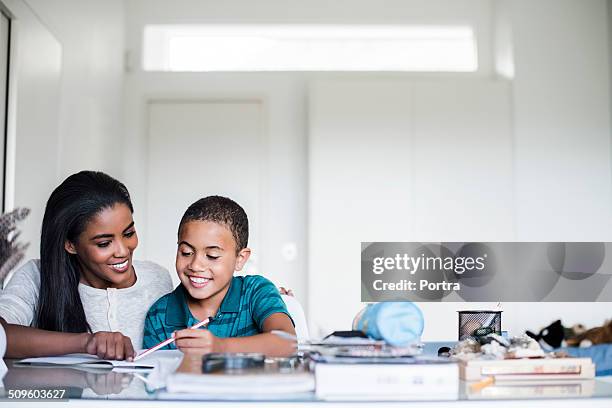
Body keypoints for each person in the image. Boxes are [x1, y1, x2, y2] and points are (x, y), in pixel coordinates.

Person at [0, 171, 173, 359]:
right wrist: (86, 342)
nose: (123, 251)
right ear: (70, 244)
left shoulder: (158, 279)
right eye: (104, 243)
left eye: (129, 233)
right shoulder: (37, 276)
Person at [143, 196, 295, 356]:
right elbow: (155, 376)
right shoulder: (159, 315)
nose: (195, 265)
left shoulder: (255, 291)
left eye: (212, 255)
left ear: (240, 259)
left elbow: (287, 343)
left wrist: (219, 347)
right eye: (186, 252)